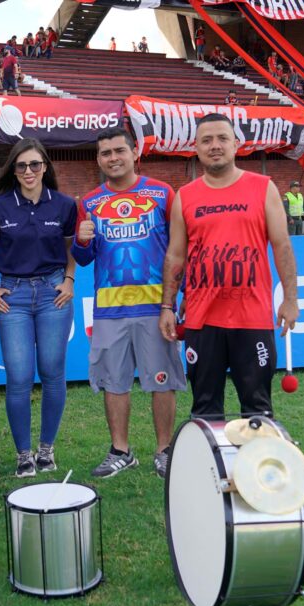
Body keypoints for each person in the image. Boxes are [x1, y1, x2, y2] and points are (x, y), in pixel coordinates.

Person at [159, 113, 299, 418]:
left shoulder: (263, 188)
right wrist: (168, 306)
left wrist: (290, 299)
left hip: (252, 318)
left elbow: (282, 246)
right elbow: (175, 257)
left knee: (258, 410)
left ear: (237, 144)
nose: (215, 146)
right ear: (195, 148)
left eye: (222, 138)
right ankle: (212, 467)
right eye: (206, 140)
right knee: (205, 411)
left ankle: (254, 466)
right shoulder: (186, 196)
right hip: (202, 320)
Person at [73, 127, 185, 478]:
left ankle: (164, 450)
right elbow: (84, 258)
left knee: (162, 380)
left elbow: (179, 251)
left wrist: (173, 302)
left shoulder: (163, 193)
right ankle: (120, 450)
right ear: (98, 159)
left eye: (119, 150)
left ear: (134, 152)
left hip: (156, 308)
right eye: (105, 153)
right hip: (110, 310)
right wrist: (80, 241)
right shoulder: (89, 202)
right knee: (113, 381)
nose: (113, 158)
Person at [0, 139, 77, 478]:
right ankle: (24, 454)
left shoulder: (65, 205)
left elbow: (72, 247)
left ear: (45, 167)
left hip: (53, 294)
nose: (28, 171)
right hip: (15, 298)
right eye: (21, 165)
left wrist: (68, 279)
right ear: (13, 169)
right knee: (19, 377)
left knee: (53, 373)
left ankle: (46, 450)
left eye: (35, 165)